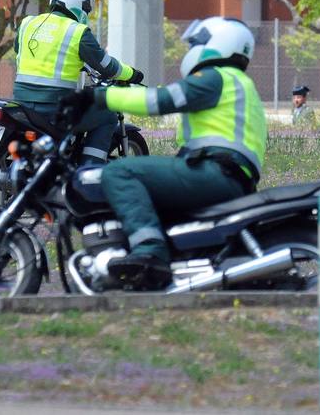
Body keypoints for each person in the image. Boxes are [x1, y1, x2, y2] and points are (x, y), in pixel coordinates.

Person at [63, 16, 267, 290]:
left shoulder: (215, 78)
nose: (192, 48)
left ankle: (149, 250)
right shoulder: (237, 82)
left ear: (219, 43)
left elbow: (161, 100)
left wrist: (99, 97)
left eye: (198, 42)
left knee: (119, 171)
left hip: (217, 173)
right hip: (228, 175)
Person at [13, 0, 143, 165]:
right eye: (86, 8)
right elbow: (106, 66)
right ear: (75, 5)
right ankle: (89, 169)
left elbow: (19, 50)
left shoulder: (28, 23)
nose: (87, 14)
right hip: (55, 106)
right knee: (108, 115)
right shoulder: (77, 31)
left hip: (22, 103)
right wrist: (132, 74)